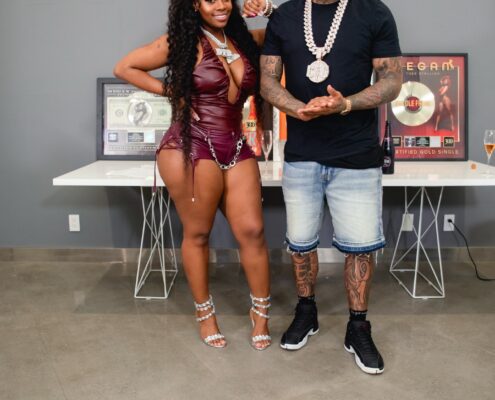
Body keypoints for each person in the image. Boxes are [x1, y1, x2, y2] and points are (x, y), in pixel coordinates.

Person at [243, 0, 402, 372]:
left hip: (357, 155)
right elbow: (267, 80)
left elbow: (392, 81)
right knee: (300, 244)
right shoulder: (285, 15)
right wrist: (296, 109)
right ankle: (307, 312)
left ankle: (358, 327)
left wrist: (345, 104)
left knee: (360, 247)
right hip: (302, 154)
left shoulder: (373, 12)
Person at [114, 0, 272, 350]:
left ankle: (260, 312)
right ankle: (205, 314)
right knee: (198, 233)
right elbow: (125, 67)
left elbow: (285, 31)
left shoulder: (241, 39)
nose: (221, 5)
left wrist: (269, 9)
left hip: (234, 143)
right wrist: (172, 92)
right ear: (194, 5)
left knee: (253, 230)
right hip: (191, 144)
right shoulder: (183, 41)